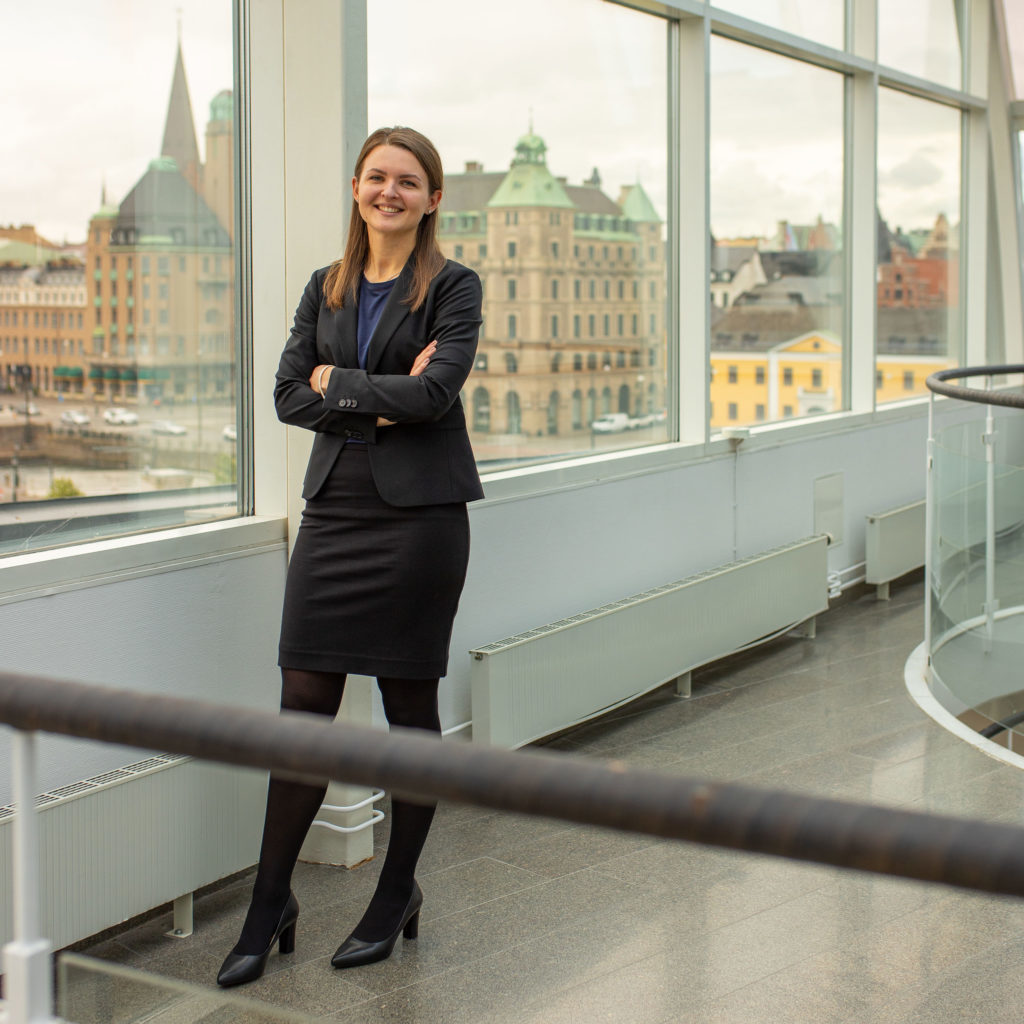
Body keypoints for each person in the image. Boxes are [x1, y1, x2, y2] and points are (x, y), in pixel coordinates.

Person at [217, 126, 484, 988]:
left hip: (420, 522)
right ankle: (270, 903)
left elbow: (437, 393)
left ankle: (395, 891)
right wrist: (378, 399)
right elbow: (288, 395)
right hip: (335, 514)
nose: (389, 192)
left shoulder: (454, 286)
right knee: (302, 706)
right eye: (377, 178)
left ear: (432, 197)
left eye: (408, 181)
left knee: (409, 710)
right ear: (357, 188)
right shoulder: (323, 287)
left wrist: (345, 385)